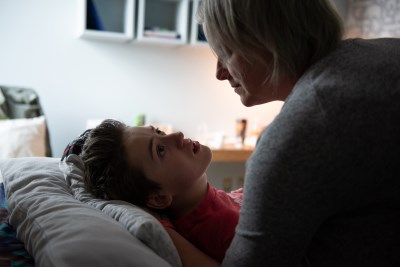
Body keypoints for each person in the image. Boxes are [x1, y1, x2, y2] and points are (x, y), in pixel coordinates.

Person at [197, 1, 400, 266]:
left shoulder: (301, 131)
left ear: (267, 39)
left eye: (226, 52)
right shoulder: (387, 49)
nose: (219, 72)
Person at [78, 119, 243, 266]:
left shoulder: (211, 208)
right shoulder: (225, 227)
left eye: (159, 132)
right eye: (161, 151)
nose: (177, 135)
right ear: (158, 198)